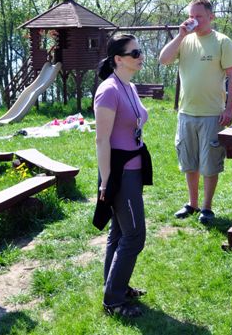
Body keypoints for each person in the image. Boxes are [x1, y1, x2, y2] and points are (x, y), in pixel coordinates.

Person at [158, 0, 232, 224]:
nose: (194, 20)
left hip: (213, 114)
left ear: (211, 17)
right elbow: (163, 60)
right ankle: (192, 204)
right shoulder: (184, 41)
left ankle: (207, 207)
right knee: (189, 162)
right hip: (186, 113)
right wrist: (180, 35)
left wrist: (229, 109)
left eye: (199, 16)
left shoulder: (223, 42)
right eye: (191, 16)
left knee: (210, 163)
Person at [92, 34, 153, 318]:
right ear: (118, 58)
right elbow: (102, 140)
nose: (141, 56)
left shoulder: (128, 85)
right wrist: (106, 180)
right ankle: (113, 301)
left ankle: (114, 286)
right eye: (135, 52)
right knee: (135, 235)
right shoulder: (109, 91)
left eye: (140, 51)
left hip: (134, 168)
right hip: (118, 173)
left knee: (119, 232)